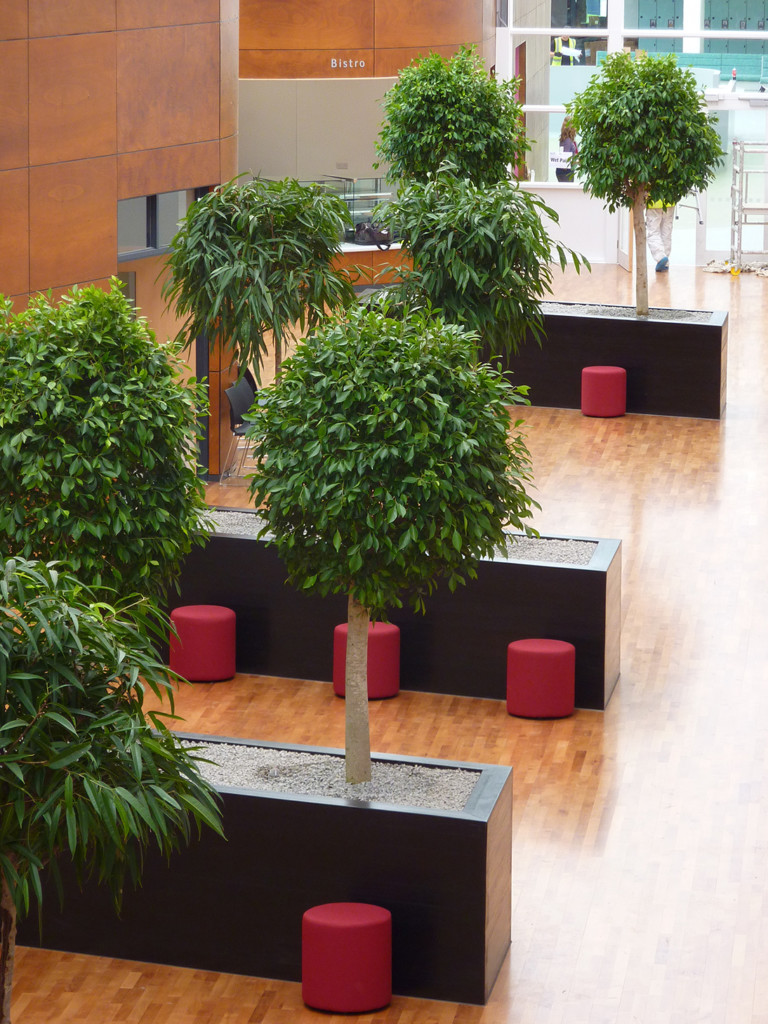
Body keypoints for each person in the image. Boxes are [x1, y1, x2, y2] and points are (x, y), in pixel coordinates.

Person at [646, 200, 675, 272]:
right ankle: (665, 263)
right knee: (666, 232)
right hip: (669, 200)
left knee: (653, 232)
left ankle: (661, 257)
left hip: (653, 201)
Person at [556, 117, 578, 182]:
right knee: (567, 191)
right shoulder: (567, 140)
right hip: (566, 172)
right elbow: (565, 161)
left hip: (564, 171)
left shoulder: (566, 139)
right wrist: (577, 162)